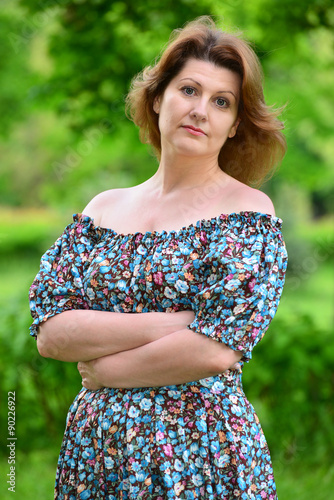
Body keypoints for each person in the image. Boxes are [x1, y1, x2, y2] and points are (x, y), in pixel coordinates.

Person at [29, 16, 288, 500]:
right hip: (98, 452)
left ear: (234, 126)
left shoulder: (249, 215)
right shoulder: (101, 210)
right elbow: (51, 331)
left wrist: (106, 372)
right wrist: (172, 323)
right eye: (188, 90)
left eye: (222, 102)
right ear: (157, 98)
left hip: (203, 450)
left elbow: (217, 348)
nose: (201, 111)